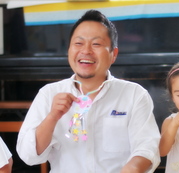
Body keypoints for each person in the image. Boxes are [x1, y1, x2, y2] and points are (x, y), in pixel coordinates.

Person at [16, 9, 160, 173]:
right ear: (68, 50)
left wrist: (131, 169)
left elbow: (147, 147)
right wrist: (52, 117)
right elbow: (28, 156)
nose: (86, 51)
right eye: (78, 43)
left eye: (96, 44)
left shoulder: (134, 95)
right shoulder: (49, 94)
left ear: (113, 54)